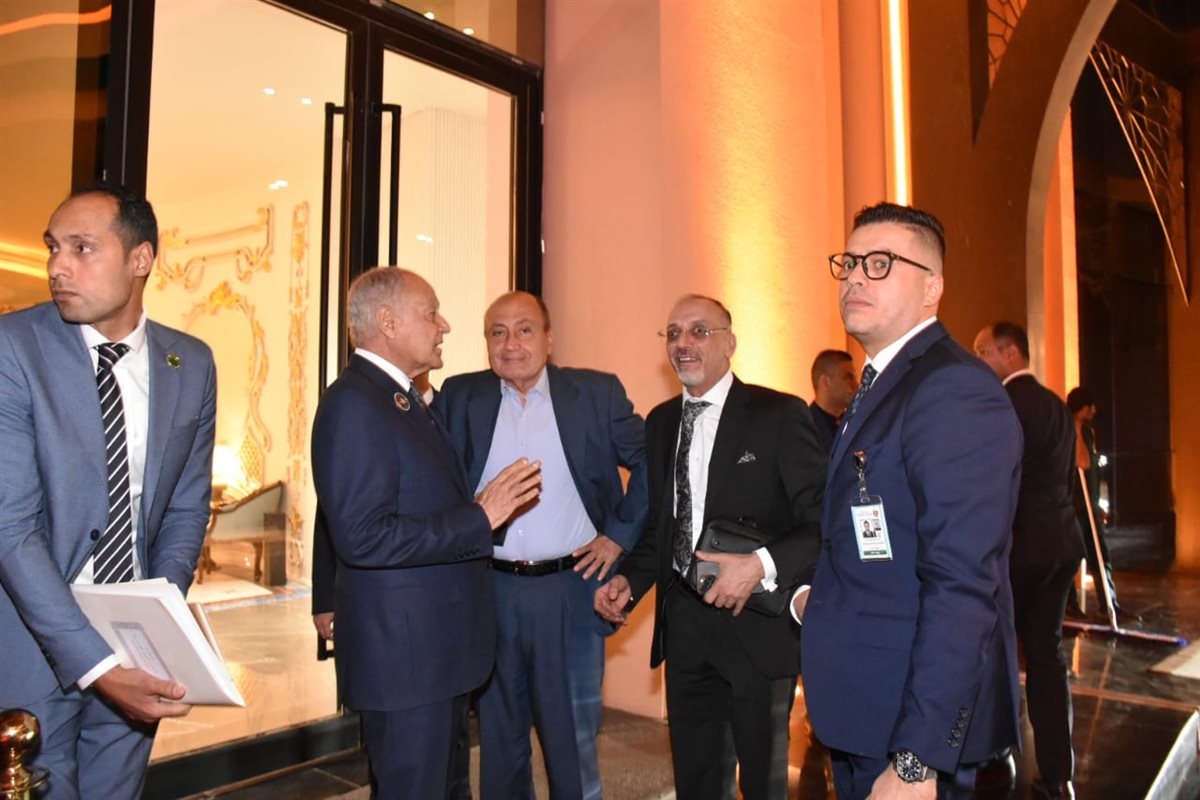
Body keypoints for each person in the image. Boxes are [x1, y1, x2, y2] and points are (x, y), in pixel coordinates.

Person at [796, 202, 1022, 800]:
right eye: (848, 264)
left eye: (879, 263)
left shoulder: (953, 387)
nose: (855, 278)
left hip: (909, 726)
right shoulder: (880, 384)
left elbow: (964, 584)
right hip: (867, 706)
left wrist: (918, 760)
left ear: (932, 288)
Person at [0, 182, 217, 798]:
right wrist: (96, 665)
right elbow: (10, 527)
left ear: (140, 259)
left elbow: (185, 507)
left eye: (82, 247)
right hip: (31, 641)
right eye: (53, 247)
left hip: (136, 643)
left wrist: (156, 618)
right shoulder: (13, 348)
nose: (56, 266)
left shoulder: (191, 361)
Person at [310, 267, 542, 798]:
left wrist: (485, 515)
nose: (445, 326)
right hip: (406, 663)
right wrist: (480, 517)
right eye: (431, 313)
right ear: (388, 323)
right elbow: (363, 536)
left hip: (435, 656)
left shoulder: (402, 399)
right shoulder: (354, 404)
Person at [595, 294, 825, 800]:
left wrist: (759, 565)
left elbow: (820, 521)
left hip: (757, 625)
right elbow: (664, 526)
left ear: (730, 343)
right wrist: (630, 582)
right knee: (696, 780)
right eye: (674, 333)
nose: (684, 343)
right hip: (685, 629)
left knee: (763, 783)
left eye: (699, 331)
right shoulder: (660, 423)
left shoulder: (777, 414)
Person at [437, 291, 648, 799]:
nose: (511, 343)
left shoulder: (595, 394)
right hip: (489, 589)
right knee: (499, 737)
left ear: (549, 340)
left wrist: (618, 535)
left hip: (569, 590)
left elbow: (653, 463)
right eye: (498, 332)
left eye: (525, 330)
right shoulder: (460, 397)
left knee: (571, 739)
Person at [975, 321, 1084, 799]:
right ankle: (1058, 773)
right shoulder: (1057, 405)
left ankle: (995, 753)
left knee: (995, 648)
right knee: (1046, 653)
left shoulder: (1002, 405)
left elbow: (991, 484)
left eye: (983, 351)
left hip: (1019, 549)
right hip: (1062, 543)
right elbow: (1068, 476)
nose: (978, 360)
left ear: (1010, 353)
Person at [1067, 386, 1119, 612]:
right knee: (1071, 557)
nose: (1094, 411)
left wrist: (1098, 503)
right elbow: (1082, 462)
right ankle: (1069, 604)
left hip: (1089, 505)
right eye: (1091, 407)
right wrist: (1075, 428)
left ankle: (1109, 603)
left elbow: (1092, 469)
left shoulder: (1088, 433)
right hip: (1073, 506)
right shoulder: (1067, 432)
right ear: (1082, 409)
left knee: (1101, 556)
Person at [809, 349, 857, 454]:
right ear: (825, 382)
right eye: (848, 377)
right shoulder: (806, 427)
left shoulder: (854, 423)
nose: (856, 385)